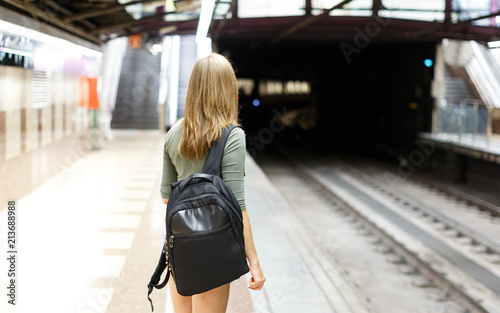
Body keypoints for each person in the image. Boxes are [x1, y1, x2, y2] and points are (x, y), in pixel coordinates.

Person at [160, 52, 266, 313]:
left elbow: (166, 197)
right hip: (212, 246)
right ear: (228, 89)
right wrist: (254, 262)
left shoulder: (174, 132)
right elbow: (238, 207)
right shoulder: (233, 136)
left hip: (177, 246)